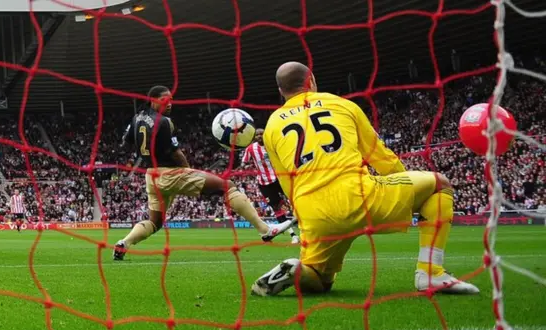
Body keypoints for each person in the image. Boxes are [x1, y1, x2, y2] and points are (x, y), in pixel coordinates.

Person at [250, 62, 479, 296]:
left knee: (320, 280)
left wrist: (304, 216)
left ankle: (298, 271)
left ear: (281, 91)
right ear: (312, 81)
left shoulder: (271, 127)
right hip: (361, 196)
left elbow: (287, 183)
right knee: (439, 185)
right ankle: (430, 272)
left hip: (314, 213)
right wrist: (405, 188)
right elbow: (380, 157)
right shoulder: (342, 105)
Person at [113, 85, 295, 260]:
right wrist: (188, 170)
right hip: (170, 173)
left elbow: (126, 140)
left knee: (155, 222)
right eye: (164, 100)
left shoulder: (137, 118)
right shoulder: (165, 122)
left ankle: (124, 243)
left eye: (171, 100)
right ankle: (265, 230)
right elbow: (175, 152)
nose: (169, 103)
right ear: (153, 100)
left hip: (151, 176)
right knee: (227, 186)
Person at [241, 128, 300, 244]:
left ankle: (305, 228)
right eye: (257, 135)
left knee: (295, 200)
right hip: (264, 183)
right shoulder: (251, 149)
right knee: (277, 209)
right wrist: (243, 166)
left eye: (261, 134)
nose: (259, 136)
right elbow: (244, 161)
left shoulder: (272, 144)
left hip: (279, 178)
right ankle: (293, 235)